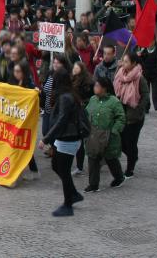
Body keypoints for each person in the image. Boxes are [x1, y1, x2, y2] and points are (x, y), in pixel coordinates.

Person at [38, 71, 84, 217]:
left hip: (68, 138)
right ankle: (73, 193)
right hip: (65, 137)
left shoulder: (65, 98)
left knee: (63, 170)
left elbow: (61, 120)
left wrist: (45, 139)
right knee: (56, 165)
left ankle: (67, 204)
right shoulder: (67, 95)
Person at [83, 76, 126, 193]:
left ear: (104, 88)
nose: (95, 88)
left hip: (109, 137)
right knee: (93, 158)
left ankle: (119, 177)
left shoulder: (114, 102)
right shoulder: (92, 99)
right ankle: (93, 184)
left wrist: (114, 131)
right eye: (95, 86)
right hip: (93, 136)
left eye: (97, 86)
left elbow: (121, 118)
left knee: (111, 158)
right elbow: (86, 114)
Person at [113, 52, 149, 178]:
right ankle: (133, 157)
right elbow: (115, 89)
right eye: (123, 61)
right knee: (121, 142)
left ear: (134, 63)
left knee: (131, 143)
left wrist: (139, 110)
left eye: (127, 61)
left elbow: (145, 95)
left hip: (134, 117)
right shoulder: (120, 73)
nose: (124, 63)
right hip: (122, 114)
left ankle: (130, 168)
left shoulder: (139, 77)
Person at [71, 62, 94, 175]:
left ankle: (81, 166)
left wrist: (81, 103)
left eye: (76, 68)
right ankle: (79, 165)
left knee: (81, 139)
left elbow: (89, 97)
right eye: (74, 67)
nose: (74, 69)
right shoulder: (72, 79)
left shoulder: (87, 82)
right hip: (74, 111)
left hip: (82, 112)